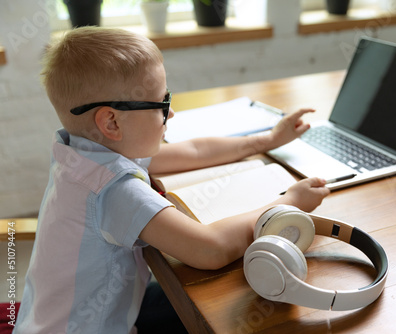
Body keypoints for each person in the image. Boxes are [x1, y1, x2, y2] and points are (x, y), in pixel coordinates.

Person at [14, 27, 329, 333]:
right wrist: (289, 203)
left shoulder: (83, 152)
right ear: (111, 121)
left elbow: (193, 150)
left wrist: (268, 139)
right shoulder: (113, 190)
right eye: (161, 104)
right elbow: (211, 250)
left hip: (46, 320)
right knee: (234, 303)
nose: (172, 113)